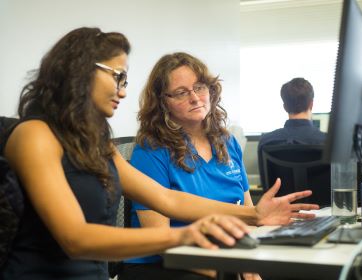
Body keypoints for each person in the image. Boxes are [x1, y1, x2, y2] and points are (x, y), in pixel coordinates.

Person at [0, 28, 318, 280]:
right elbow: (75, 238)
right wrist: (184, 237)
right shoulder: (34, 136)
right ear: (80, 71)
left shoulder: (95, 143)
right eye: (117, 77)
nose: (123, 90)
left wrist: (255, 215)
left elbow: (166, 199)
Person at [119, 53, 318, 280]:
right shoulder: (151, 149)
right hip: (166, 263)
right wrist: (228, 269)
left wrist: (247, 261)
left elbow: (249, 215)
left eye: (200, 87)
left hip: (225, 254)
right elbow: (159, 239)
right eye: (182, 92)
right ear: (163, 102)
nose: (195, 98)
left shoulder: (227, 142)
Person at [257, 77, 326, 177]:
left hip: (281, 193)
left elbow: (266, 187)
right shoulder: (330, 142)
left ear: (285, 107)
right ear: (311, 104)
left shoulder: (266, 141)